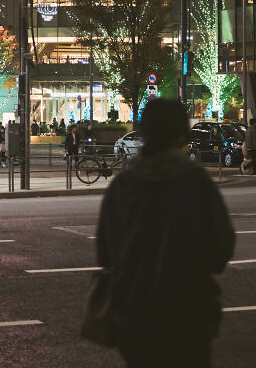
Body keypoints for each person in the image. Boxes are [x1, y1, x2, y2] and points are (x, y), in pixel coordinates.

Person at [95, 99, 235, 366]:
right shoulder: (196, 184)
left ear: (144, 133)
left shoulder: (123, 186)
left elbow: (105, 254)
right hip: (187, 311)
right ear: (182, 136)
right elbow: (220, 250)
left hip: (132, 312)